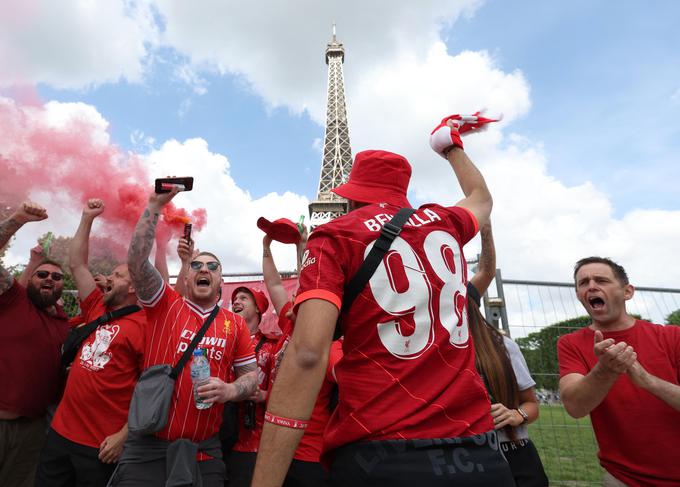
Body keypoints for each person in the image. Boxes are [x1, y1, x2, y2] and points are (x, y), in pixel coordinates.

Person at [252, 116, 514, 486]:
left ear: (353, 194)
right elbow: (482, 200)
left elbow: (308, 354)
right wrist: (450, 145)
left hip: (382, 450)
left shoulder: (335, 235)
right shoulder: (445, 223)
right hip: (477, 450)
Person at [108, 186, 258, 487]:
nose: (204, 269)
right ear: (187, 277)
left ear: (220, 281)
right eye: (197, 265)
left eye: (212, 266)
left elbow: (252, 377)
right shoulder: (166, 304)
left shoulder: (235, 324)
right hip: (148, 447)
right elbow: (137, 264)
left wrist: (230, 390)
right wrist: (153, 206)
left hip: (203, 451)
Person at [35, 199, 147, 487]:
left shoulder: (146, 327)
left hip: (100, 447)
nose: (107, 278)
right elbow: (77, 264)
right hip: (59, 435)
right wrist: (87, 218)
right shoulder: (97, 307)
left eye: (117, 276)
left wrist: (125, 435)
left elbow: (152, 390)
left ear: (134, 287)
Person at [558, 256, 680, 486]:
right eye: (583, 283)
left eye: (601, 280)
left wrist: (649, 381)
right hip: (623, 479)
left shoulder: (671, 337)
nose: (591, 286)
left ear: (627, 292)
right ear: (578, 295)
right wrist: (604, 371)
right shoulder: (570, 344)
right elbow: (575, 407)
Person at [467, 221, 548, 487]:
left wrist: (517, 415)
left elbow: (531, 404)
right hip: (462, 456)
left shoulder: (501, 346)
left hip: (514, 453)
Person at [262, 224, 342, 487]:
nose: (297, 296)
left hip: (309, 458)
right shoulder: (288, 324)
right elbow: (274, 283)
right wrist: (266, 249)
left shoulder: (328, 346)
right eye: (297, 294)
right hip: (277, 452)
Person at [0, 201, 70, 487]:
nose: (49, 279)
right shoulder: (13, 300)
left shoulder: (67, 326)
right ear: (30, 280)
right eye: (43, 274)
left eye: (57, 277)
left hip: (32, 431)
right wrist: (17, 220)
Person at [227, 285, 274, 487]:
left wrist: (265, 395)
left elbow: (291, 391)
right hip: (218, 439)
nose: (236, 301)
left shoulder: (271, 346)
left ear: (258, 309)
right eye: (235, 298)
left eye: (244, 298)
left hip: (256, 444)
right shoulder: (223, 341)